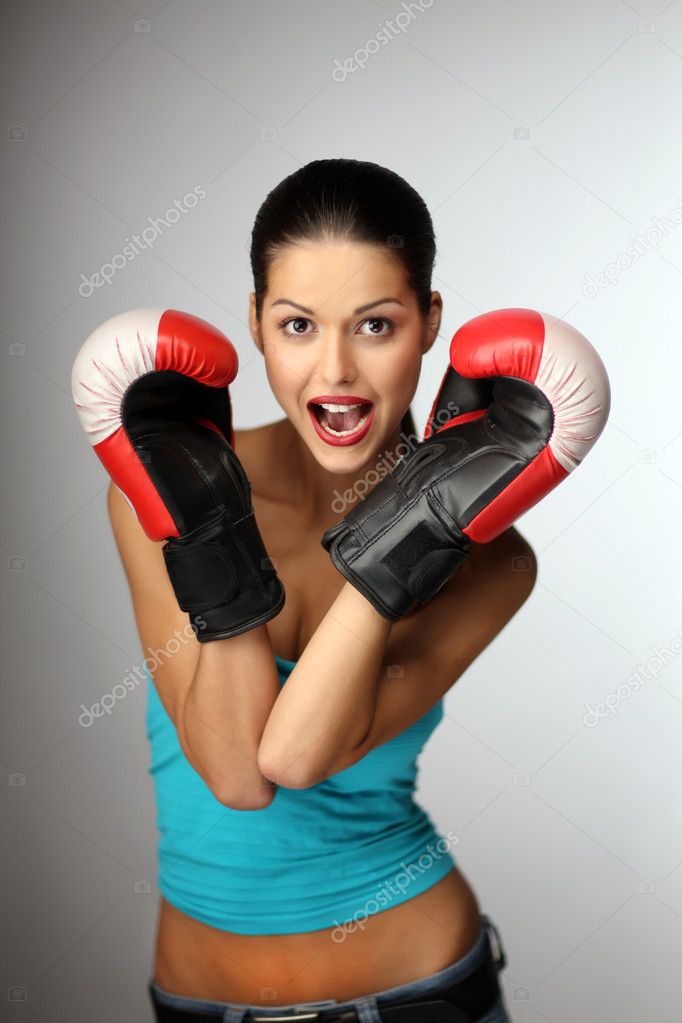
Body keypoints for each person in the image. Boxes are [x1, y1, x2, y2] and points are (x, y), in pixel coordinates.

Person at [76, 158, 607, 1022]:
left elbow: (292, 757)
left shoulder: (495, 561)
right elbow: (233, 774)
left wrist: (420, 528)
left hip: (418, 992)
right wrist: (211, 522)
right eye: (296, 325)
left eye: (374, 325)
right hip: (199, 1001)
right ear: (252, 324)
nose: (335, 373)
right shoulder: (158, 487)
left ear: (431, 322)